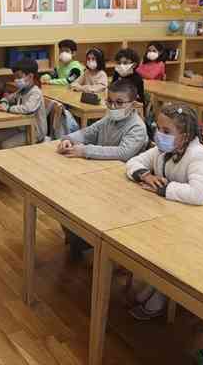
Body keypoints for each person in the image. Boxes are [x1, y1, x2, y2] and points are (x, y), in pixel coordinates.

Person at [125, 103, 203, 320]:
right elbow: (133, 161)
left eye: (166, 131)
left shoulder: (197, 154)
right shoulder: (163, 149)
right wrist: (145, 175)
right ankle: (155, 285)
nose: (159, 135)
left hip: (190, 225)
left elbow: (201, 193)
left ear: (185, 135)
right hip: (166, 215)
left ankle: (163, 293)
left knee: (169, 249)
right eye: (157, 128)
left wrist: (164, 189)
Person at [58, 80, 148, 258]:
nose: (113, 106)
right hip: (99, 172)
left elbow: (123, 153)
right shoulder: (109, 117)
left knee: (81, 203)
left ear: (133, 104)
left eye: (119, 103)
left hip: (121, 184)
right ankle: (79, 240)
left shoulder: (137, 127)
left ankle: (88, 242)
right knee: (64, 196)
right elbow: (89, 132)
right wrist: (69, 139)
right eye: (110, 101)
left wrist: (85, 150)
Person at [0, 57, 47, 149]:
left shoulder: (36, 92)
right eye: (14, 77)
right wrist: (4, 101)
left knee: (6, 145)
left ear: (30, 76)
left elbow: (28, 109)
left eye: (19, 77)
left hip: (35, 130)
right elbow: (9, 98)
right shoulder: (22, 89)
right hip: (21, 126)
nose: (16, 80)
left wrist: (8, 108)